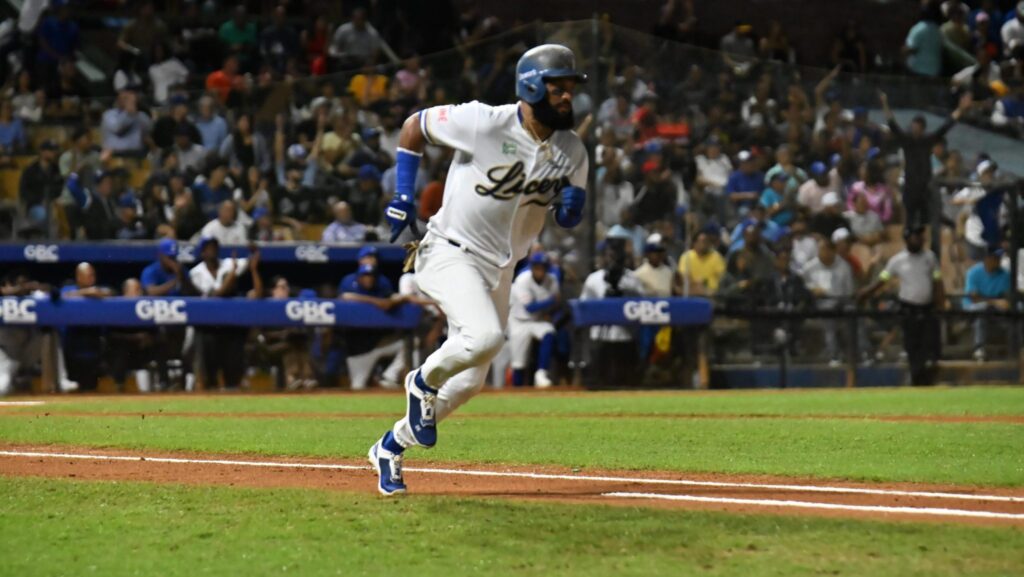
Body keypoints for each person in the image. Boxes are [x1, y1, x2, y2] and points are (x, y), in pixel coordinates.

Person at [368, 44, 589, 496]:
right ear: (531, 86)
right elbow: (414, 127)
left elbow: (567, 217)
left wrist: (570, 209)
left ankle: (390, 446)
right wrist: (402, 195)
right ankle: (422, 380)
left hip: (502, 267)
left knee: (470, 381)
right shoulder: (484, 122)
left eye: (571, 88)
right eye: (558, 87)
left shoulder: (573, 151)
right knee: (485, 338)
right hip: (451, 251)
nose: (568, 96)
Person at [859, 226, 944, 385]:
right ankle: (916, 377)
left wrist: (941, 301)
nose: (917, 240)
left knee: (928, 343)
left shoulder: (930, 258)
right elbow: (883, 279)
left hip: (927, 307)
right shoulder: (898, 260)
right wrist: (867, 292)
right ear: (907, 240)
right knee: (912, 344)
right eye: (914, 237)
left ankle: (925, 376)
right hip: (908, 308)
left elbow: (937, 279)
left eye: (919, 237)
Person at [879, 90, 969, 230]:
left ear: (923, 129)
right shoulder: (906, 140)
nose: (914, 130)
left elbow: (946, 126)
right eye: (913, 127)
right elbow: (892, 123)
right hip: (910, 188)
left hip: (925, 188)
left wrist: (960, 109)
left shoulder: (928, 141)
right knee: (909, 221)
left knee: (925, 222)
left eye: (917, 128)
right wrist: (885, 103)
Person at [188, 236, 250, 389]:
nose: (212, 250)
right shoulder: (196, 273)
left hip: (230, 325)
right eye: (208, 248)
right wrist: (231, 275)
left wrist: (253, 249)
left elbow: (249, 261)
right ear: (202, 252)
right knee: (208, 374)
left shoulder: (227, 263)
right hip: (207, 327)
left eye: (214, 247)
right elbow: (214, 296)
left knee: (232, 372)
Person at [339, 264, 408, 391]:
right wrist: (376, 302)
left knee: (407, 344)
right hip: (358, 353)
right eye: (365, 276)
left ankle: (390, 376)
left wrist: (391, 301)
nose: (368, 279)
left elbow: (395, 297)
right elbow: (345, 297)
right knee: (357, 388)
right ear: (359, 278)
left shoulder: (379, 288)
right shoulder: (352, 290)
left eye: (371, 276)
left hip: (379, 345)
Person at [508, 252, 561, 388]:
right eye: (536, 267)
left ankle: (541, 373)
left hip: (537, 321)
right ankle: (517, 390)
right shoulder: (522, 279)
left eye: (542, 267)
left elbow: (557, 304)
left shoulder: (552, 280)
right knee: (518, 363)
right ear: (531, 267)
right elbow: (530, 308)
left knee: (549, 333)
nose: (539, 270)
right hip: (519, 321)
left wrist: (551, 311)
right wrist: (550, 302)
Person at [801, 239, 856, 365]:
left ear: (833, 251)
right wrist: (812, 290)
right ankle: (834, 354)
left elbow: (850, 291)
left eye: (825, 250)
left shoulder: (844, 266)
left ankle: (861, 352)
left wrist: (841, 298)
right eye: (820, 250)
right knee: (829, 313)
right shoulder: (809, 267)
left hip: (842, 301)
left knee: (854, 312)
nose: (822, 253)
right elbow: (802, 287)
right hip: (819, 302)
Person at [962, 248, 1011, 361]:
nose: (998, 260)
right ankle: (979, 349)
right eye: (995, 258)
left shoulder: (1005, 275)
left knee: (1015, 312)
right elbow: (974, 298)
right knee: (982, 311)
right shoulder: (973, 272)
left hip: (995, 310)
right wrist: (993, 301)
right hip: (973, 308)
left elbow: (1007, 298)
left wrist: (1002, 303)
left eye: (999, 258)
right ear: (987, 259)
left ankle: (1015, 348)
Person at [18, 139, 62, 229]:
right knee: (42, 213)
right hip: (35, 206)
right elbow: (23, 192)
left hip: (54, 205)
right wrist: (40, 200)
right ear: (42, 152)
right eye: (51, 151)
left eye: (54, 151)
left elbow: (61, 188)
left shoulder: (56, 170)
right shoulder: (30, 171)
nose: (54, 154)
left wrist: (53, 200)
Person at [678, 231, 725, 295]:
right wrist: (697, 284)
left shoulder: (716, 257)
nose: (706, 244)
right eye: (703, 241)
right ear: (694, 243)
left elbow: (722, 277)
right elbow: (684, 277)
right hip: (692, 291)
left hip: (711, 293)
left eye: (707, 241)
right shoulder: (686, 257)